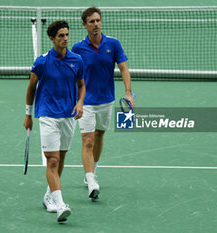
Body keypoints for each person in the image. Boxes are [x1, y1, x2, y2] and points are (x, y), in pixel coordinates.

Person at [23, 20, 86, 223]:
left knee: (61, 157)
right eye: (61, 35)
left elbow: (82, 85)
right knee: (52, 160)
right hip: (48, 115)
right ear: (52, 38)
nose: (65, 38)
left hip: (68, 115)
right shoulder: (41, 62)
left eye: (67, 34)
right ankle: (60, 205)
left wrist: (80, 103)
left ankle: (48, 195)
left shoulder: (77, 60)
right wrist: (28, 115)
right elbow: (31, 88)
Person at [72, 7, 134, 201]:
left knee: (99, 136)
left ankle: (92, 170)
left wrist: (128, 93)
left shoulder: (113, 44)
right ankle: (91, 182)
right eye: (91, 22)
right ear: (84, 25)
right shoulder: (77, 48)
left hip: (106, 100)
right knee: (87, 140)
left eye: (98, 20)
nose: (96, 24)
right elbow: (72, 75)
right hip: (86, 102)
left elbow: (123, 68)